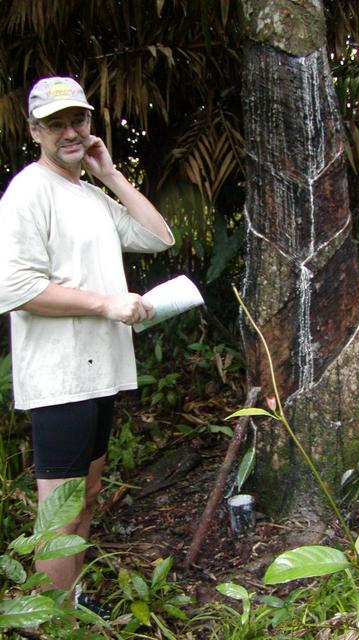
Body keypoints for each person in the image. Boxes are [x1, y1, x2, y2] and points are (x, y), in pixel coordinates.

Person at [0, 76, 175, 603]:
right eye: (55, 124)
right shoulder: (28, 191)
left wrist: (112, 173)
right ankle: (48, 625)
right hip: (59, 376)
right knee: (60, 512)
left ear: (91, 125)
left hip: (99, 369)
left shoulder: (92, 196)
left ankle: (68, 606)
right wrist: (106, 303)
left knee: (88, 497)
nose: (70, 132)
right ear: (34, 131)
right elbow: (18, 287)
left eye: (78, 120)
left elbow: (159, 236)